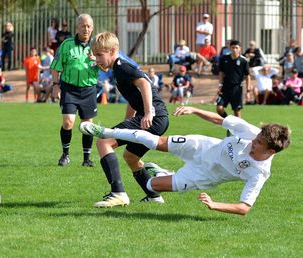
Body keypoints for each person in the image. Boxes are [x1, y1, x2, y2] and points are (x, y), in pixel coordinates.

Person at [80, 105, 291, 215]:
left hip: (205, 176)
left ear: (271, 151)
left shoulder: (260, 173)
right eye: (256, 138)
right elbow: (220, 120)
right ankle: (105, 131)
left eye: (259, 143)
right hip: (203, 147)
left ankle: (162, 174)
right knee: (155, 142)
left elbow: (244, 207)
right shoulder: (253, 132)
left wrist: (214, 204)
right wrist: (194, 110)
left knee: (150, 185)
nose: (254, 141)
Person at [89, 31, 169, 208]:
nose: (97, 59)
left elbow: (145, 84)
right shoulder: (117, 69)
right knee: (130, 157)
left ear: (113, 51)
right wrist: (126, 125)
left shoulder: (122, 67)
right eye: (95, 55)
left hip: (153, 118)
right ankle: (153, 195)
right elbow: (134, 98)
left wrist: (148, 113)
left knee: (103, 143)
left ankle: (118, 193)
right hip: (157, 118)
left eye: (99, 55)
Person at [50, 14, 99, 167]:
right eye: (83, 26)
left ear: (92, 28)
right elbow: (55, 66)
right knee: (68, 122)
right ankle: (65, 155)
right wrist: (55, 85)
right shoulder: (66, 44)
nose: (86, 29)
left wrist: (97, 60)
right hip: (69, 89)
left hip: (89, 90)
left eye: (89, 26)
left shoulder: (98, 46)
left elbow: (106, 66)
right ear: (77, 27)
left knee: (87, 126)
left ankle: (87, 159)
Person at [216, 40, 251, 119]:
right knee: (219, 108)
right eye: (233, 48)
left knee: (237, 112)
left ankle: (239, 130)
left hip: (237, 88)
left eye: (236, 48)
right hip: (225, 87)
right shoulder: (224, 58)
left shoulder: (244, 61)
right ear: (229, 48)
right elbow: (221, 73)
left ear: (240, 49)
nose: (234, 49)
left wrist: (248, 91)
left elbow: (248, 76)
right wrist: (220, 85)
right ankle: (229, 122)